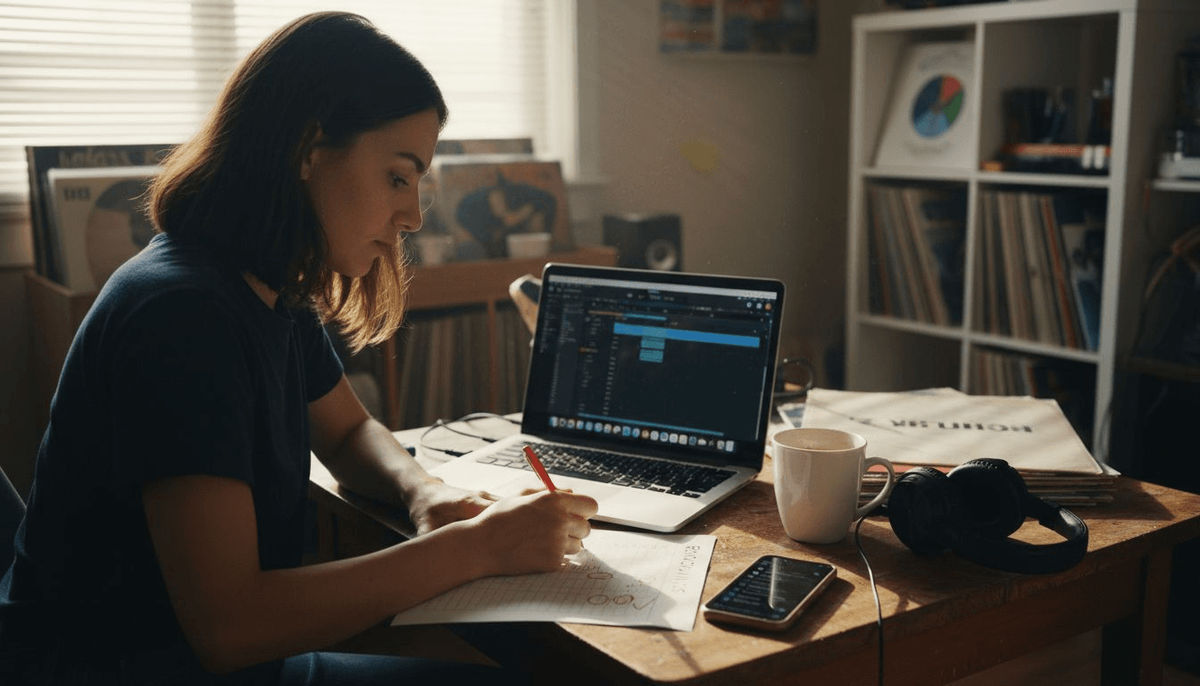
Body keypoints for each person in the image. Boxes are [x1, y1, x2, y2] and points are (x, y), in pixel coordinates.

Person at [0, 12, 597, 685]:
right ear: (309, 150)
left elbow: (347, 433)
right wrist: (476, 548)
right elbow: (230, 628)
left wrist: (423, 491)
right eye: (397, 178)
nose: (412, 215)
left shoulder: (263, 285)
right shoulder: (182, 315)